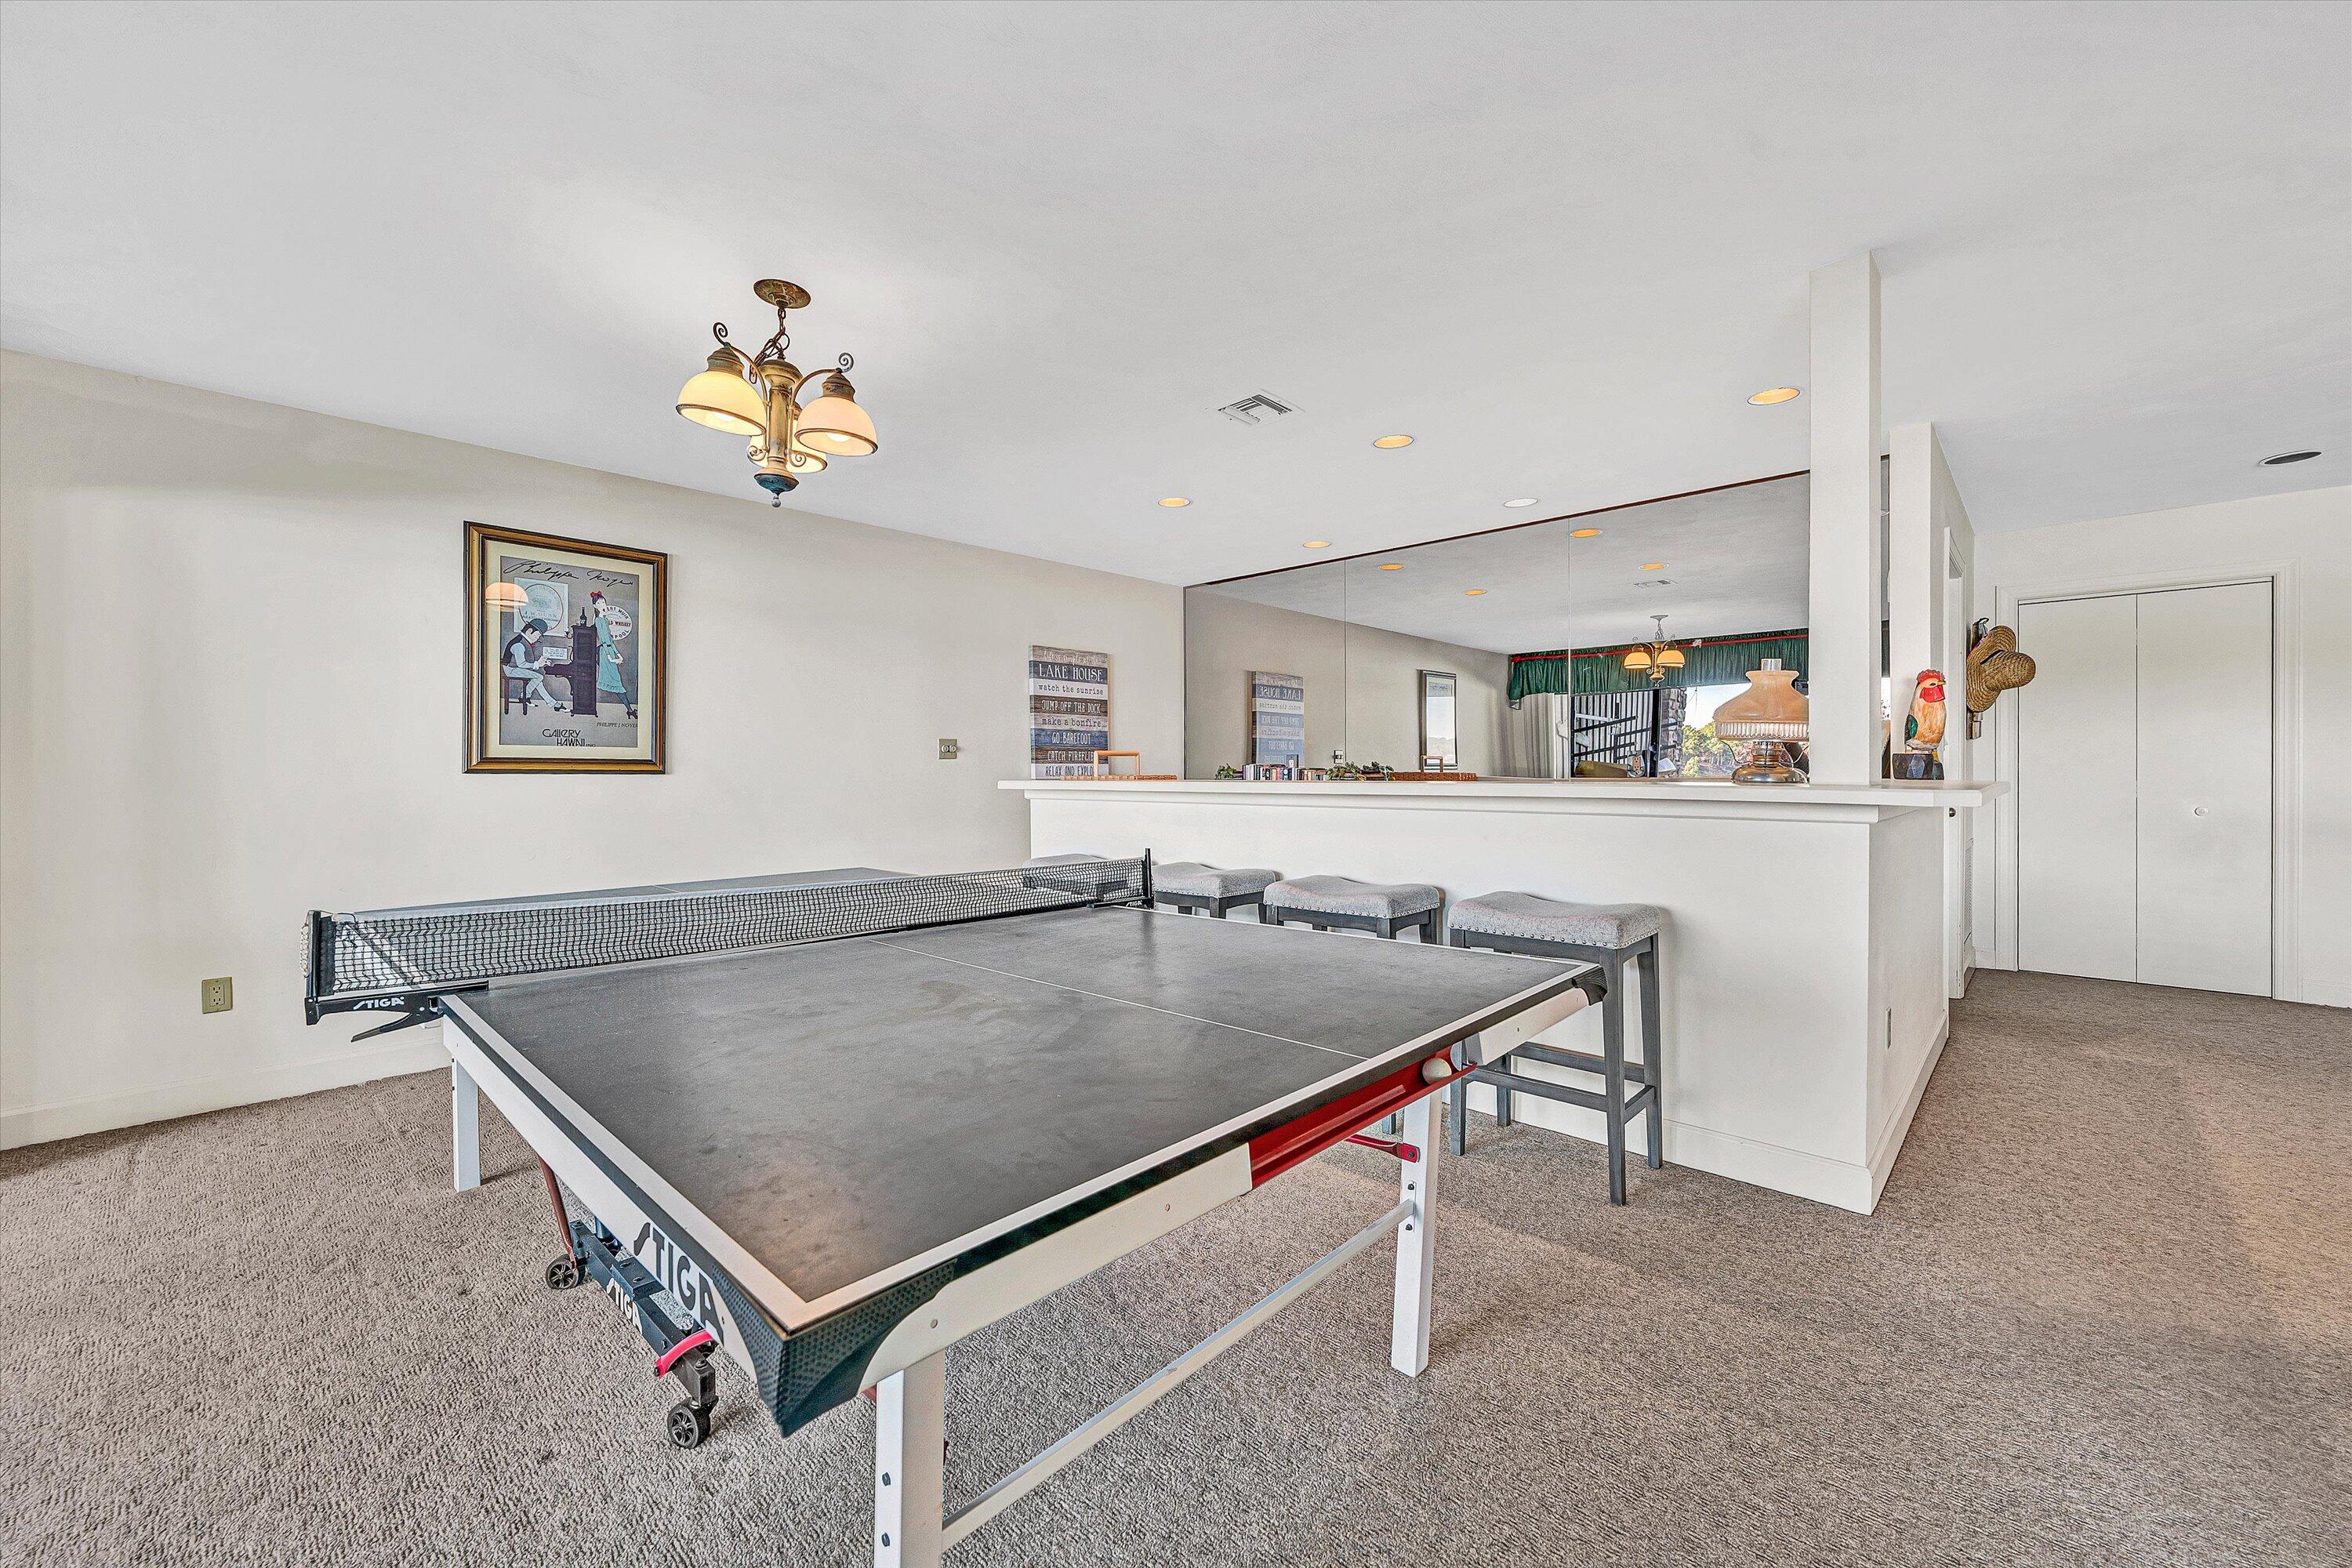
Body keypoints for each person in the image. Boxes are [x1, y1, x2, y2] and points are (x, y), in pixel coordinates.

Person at [588, 590, 636, 719]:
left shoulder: (605, 619)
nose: (602, 604)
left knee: (618, 684)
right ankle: (630, 710)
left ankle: (629, 710)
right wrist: (610, 656)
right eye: (599, 603)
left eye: (603, 602)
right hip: (606, 654)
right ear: (595, 606)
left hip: (610, 652)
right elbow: (604, 641)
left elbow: (610, 640)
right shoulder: (599, 620)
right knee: (617, 684)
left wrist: (618, 654)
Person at [499, 618, 563, 710]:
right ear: (529, 631)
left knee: (538, 680)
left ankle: (554, 704)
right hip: (510, 670)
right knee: (539, 677)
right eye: (537, 635)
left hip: (514, 668)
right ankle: (525, 696)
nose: (538, 638)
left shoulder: (523, 641)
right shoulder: (519, 644)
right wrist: (537, 664)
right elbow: (521, 664)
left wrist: (540, 662)